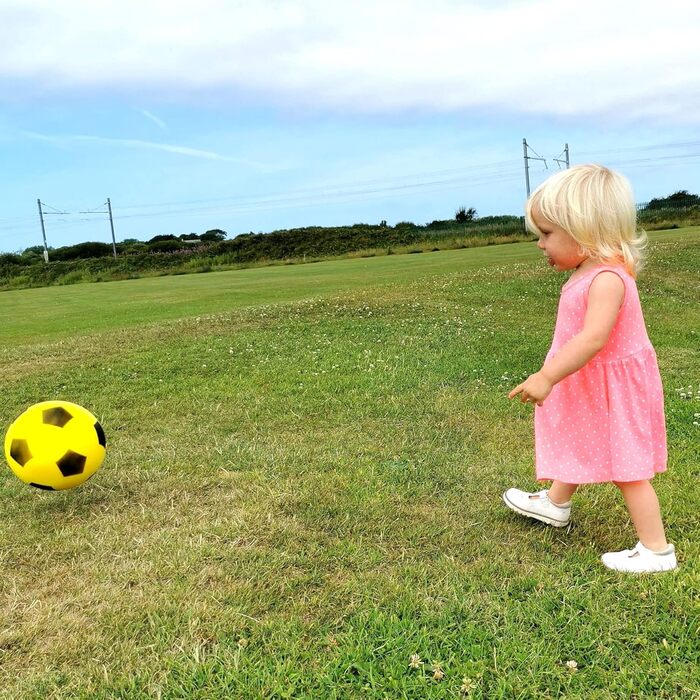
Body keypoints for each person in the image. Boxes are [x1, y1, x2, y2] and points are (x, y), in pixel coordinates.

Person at [503, 164, 677, 573]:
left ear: (585, 231)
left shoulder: (607, 279)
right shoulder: (587, 271)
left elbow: (593, 338)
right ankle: (557, 502)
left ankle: (656, 550)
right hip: (593, 383)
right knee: (582, 437)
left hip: (614, 389)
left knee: (627, 470)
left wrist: (546, 376)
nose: (540, 244)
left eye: (546, 234)